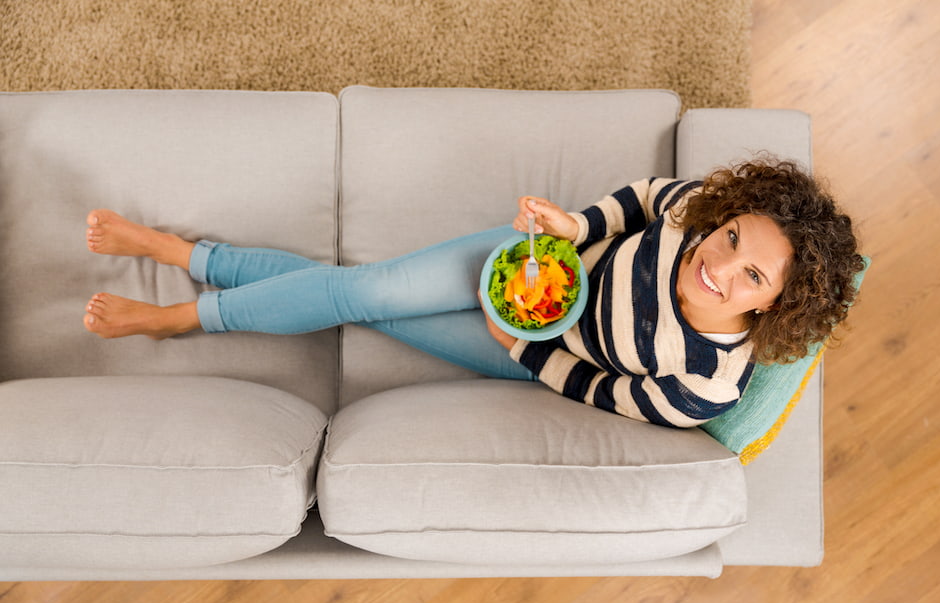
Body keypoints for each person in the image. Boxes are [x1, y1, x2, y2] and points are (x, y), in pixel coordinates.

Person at [83, 159, 864, 428]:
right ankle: (178, 280)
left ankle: (180, 281)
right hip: (531, 264)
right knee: (361, 289)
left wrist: (523, 348)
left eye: (751, 276)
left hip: (532, 349)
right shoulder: (704, 215)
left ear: (771, 306)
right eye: (732, 240)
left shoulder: (707, 383)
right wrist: (574, 223)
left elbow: (603, 392)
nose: (719, 266)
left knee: (361, 303)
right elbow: (650, 195)